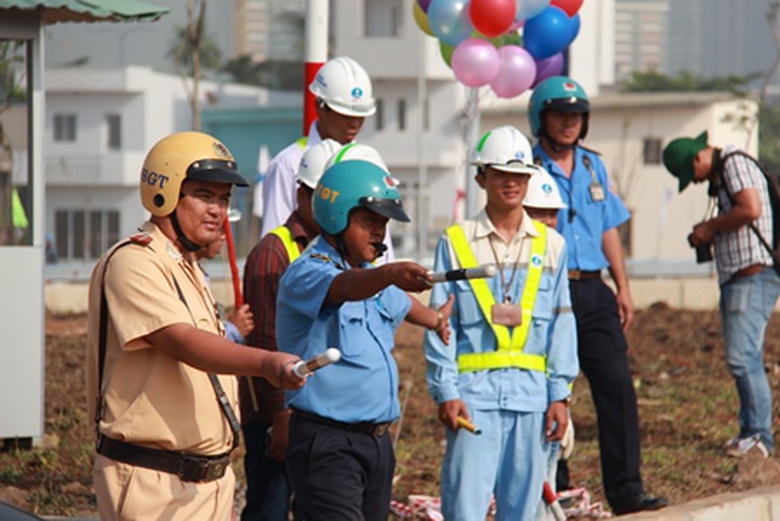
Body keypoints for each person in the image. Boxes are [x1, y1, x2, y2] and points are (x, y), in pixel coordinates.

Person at [86, 131, 306, 521]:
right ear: (165, 193)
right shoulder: (134, 262)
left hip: (207, 483)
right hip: (154, 483)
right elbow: (182, 341)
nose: (218, 211)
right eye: (204, 196)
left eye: (224, 199)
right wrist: (267, 363)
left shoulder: (187, 267)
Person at [276, 158, 453, 521]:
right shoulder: (307, 272)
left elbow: (403, 304)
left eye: (384, 224)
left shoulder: (370, 276)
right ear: (337, 216)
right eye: (369, 221)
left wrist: (436, 320)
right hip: (328, 444)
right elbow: (342, 288)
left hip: (375, 443)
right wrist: (389, 274)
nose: (379, 232)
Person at [528, 75, 668, 516]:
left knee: (618, 388)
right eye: (559, 114)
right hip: (546, 289)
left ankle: (627, 490)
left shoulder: (593, 166)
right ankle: (556, 490)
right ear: (541, 119)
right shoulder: (527, 168)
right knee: (550, 390)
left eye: (577, 115)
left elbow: (608, 228)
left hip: (593, 290)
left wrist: (623, 286)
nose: (569, 122)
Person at [424, 125, 579, 521]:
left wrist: (559, 397)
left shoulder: (552, 245)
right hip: (472, 400)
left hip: (532, 401)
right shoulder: (456, 241)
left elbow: (562, 322)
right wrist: (446, 392)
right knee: (465, 510)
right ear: (482, 178)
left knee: (523, 513)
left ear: (529, 179)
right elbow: (441, 323)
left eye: (519, 175)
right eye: (500, 174)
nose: (511, 183)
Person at [240, 138, 342, 521]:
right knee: (269, 509)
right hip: (277, 416)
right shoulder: (274, 251)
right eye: (321, 197)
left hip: (318, 413)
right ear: (301, 194)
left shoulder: (334, 252)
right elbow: (264, 340)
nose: (330, 208)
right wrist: (279, 416)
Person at [662, 131, 780, 458]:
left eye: (692, 174)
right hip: (742, 278)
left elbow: (750, 209)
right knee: (746, 357)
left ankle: (759, 437)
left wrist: (710, 227)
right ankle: (749, 432)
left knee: (743, 358)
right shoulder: (724, 173)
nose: (697, 182)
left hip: (752, 276)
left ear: (698, 157)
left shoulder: (732, 163)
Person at [522, 166, 577, 518]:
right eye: (539, 213)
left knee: (542, 487)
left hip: (545, 395)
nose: (548, 222)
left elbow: (562, 329)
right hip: (501, 396)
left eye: (552, 213)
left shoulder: (555, 252)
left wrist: (562, 396)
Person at [198, 229, 254, 344]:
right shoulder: (177, 273)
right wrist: (233, 329)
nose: (223, 237)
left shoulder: (197, 273)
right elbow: (195, 342)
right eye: (216, 228)